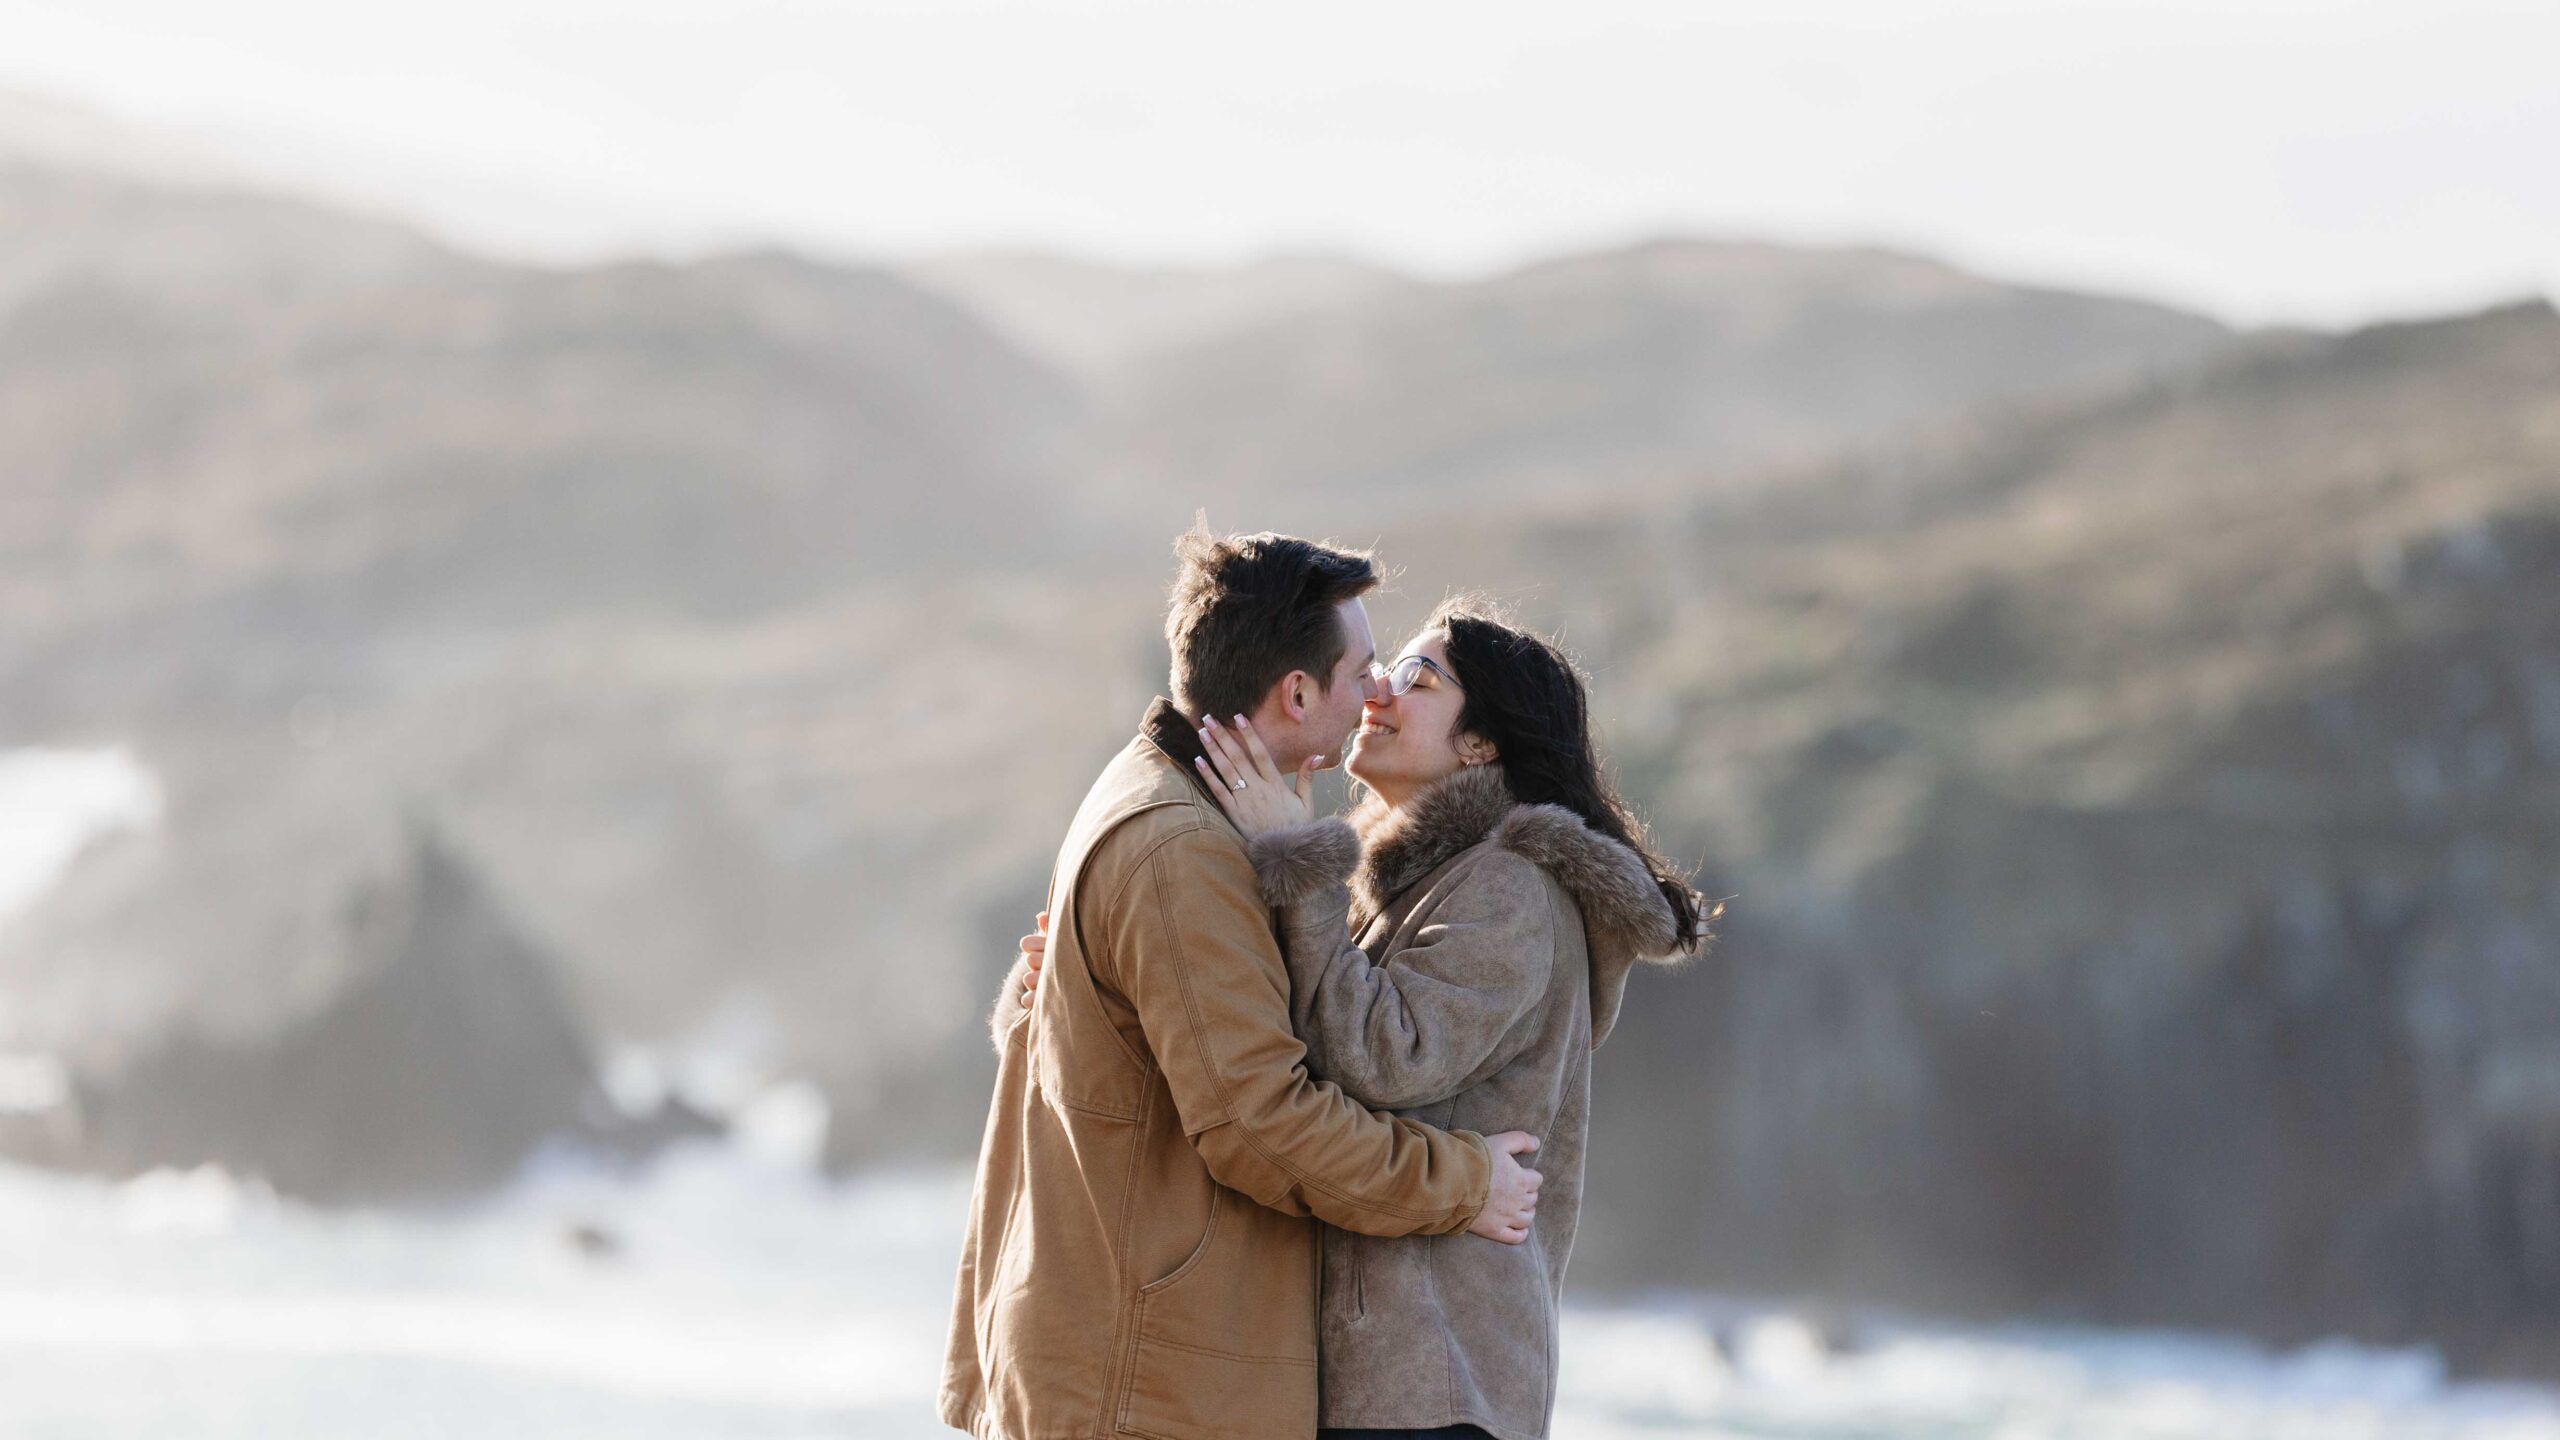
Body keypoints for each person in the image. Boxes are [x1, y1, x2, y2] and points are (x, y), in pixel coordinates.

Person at [1030, 596, 1714, 1440]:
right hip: (1386, 1370)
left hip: (1433, 1378)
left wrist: (1301, 860)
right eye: (1382, 671)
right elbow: (1282, 1030)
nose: (1380, 692)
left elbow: (1381, 1055)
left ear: (1480, 743)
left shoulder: (1511, 887)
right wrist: (1109, 974)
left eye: (1417, 679)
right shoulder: (1412, 881)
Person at [942, 529, 1546, 1440]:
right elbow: (1262, 1124)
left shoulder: (1156, 792)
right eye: (1365, 671)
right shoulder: (1185, 850)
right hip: (1148, 1385)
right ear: (1297, 692)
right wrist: (1463, 1183)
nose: (1376, 693)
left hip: (1130, 1363)